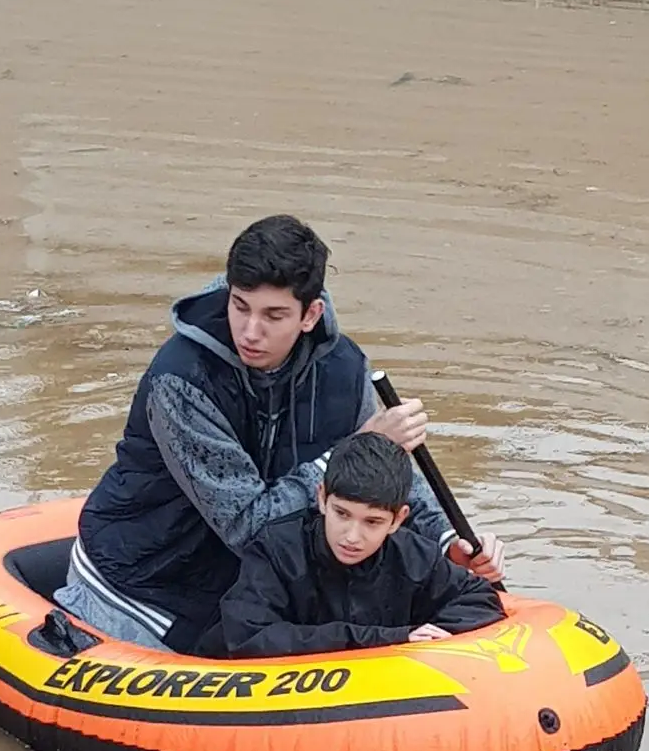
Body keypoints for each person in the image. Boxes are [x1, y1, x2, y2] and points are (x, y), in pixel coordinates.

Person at [56, 214, 504, 652]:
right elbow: (248, 526)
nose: (251, 332)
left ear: (310, 315)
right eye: (240, 306)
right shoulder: (181, 380)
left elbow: (379, 472)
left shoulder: (344, 369)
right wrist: (356, 447)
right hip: (146, 579)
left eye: (274, 315)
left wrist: (447, 542)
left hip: (257, 582)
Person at [204, 433, 505, 658]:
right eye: (342, 513)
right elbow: (248, 636)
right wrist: (390, 639)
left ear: (398, 519)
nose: (351, 536)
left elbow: (480, 600)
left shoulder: (414, 555)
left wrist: (432, 639)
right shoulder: (276, 550)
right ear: (322, 498)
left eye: (372, 522)